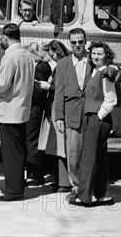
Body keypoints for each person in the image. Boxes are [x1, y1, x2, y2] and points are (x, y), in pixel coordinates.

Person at [0, 23, 34, 202]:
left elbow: (2, 85)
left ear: (6, 36)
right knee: (19, 152)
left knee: (10, 154)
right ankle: (18, 185)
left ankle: (13, 190)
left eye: (1, 38)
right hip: (23, 109)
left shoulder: (9, 57)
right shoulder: (28, 55)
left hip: (9, 110)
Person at [70, 41, 117, 207]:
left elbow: (111, 99)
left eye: (100, 54)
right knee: (99, 158)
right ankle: (103, 195)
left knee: (88, 159)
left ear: (106, 56)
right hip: (91, 117)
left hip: (98, 119)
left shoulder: (106, 72)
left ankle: (85, 197)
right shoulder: (95, 71)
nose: (96, 56)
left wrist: (99, 116)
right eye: (94, 53)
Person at [53, 28, 91, 200]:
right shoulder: (63, 64)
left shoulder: (94, 60)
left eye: (80, 42)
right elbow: (58, 92)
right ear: (70, 43)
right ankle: (75, 187)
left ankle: (89, 187)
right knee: (73, 153)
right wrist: (59, 116)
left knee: (91, 153)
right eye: (74, 42)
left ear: (86, 41)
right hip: (72, 113)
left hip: (92, 113)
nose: (77, 45)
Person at [38, 40, 71, 192]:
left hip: (58, 108)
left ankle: (64, 182)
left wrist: (48, 87)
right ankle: (60, 179)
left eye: (51, 52)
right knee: (57, 146)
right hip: (53, 107)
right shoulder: (61, 64)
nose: (50, 55)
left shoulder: (63, 64)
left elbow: (65, 88)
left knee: (61, 146)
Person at [25, 42, 52, 186]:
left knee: (30, 141)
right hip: (35, 107)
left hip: (34, 107)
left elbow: (39, 91)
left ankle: (34, 175)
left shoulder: (40, 67)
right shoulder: (44, 66)